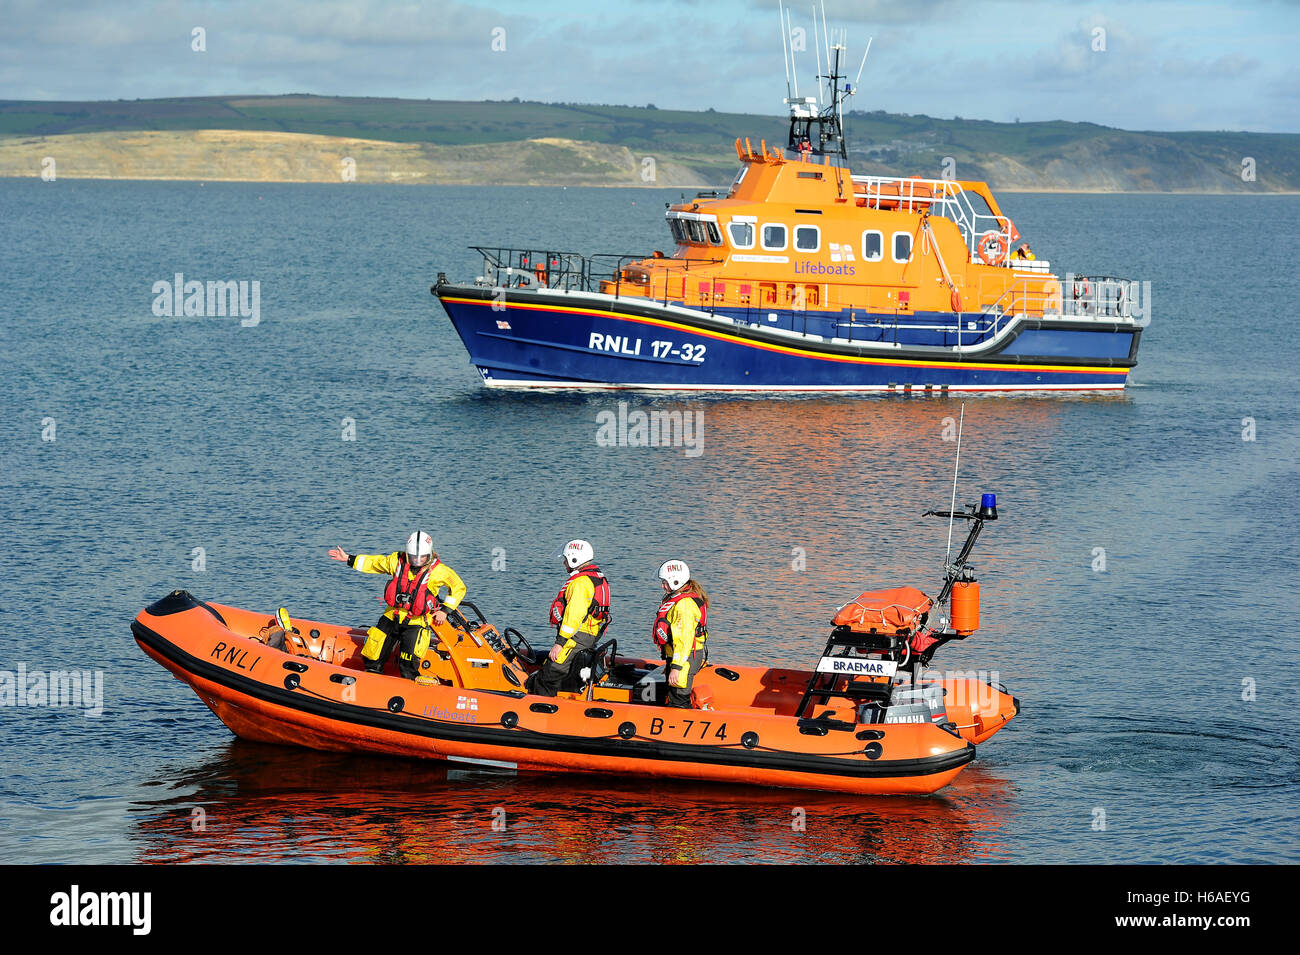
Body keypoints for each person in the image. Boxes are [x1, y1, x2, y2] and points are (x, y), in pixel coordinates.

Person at [328, 532, 466, 679]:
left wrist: (445, 611)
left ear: (429, 554)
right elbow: (375, 563)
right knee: (373, 657)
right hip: (392, 615)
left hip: (416, 622)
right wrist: (349, 559)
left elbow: (458, 587)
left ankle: (409, 689)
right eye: (413, 557)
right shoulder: (397, 561)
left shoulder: (439, 571)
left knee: (408, 665)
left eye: (422, 557)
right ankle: (372, 679)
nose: (417, 561)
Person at [529, 539, 611, 697]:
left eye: (566, 559)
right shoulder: (597, 578)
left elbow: (573, 616)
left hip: (576, 637)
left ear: (575, 559)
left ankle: (541, 712)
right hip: (589, 636)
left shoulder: (580, 583)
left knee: (548, 675)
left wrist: (559, 644)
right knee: (559, 671)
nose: (564, 563)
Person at [652, 560, 709, 708]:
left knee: (679, 700)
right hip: (682, 656)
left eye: (664, 582)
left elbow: (684, 639)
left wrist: (676, 667)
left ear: (675, 582)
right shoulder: (681, 599)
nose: (662, 586)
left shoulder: (684, 605)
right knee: (674, 695)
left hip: (685, 658)